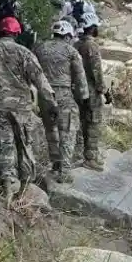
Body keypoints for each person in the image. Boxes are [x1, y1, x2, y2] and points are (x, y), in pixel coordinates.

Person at [0, 16, 55, 203]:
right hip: (21, 109)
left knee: (4, 146)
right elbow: (41, 81)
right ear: (17, 33)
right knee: (24, 145)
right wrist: (52, 103)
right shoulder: (25, 53)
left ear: (0, 32)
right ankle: (25, 187)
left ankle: (7, 186)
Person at [33, 20, 88, 183]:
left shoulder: (40, 48)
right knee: (68, 131)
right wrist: (83, 97)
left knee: (51, 130)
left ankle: (55, 163)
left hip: (44, 95)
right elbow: (80, 76)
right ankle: (64, 171)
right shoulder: (71, 51)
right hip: (63, 94)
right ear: (68, 35)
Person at [75, 12, 107, 169]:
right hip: (91, 90)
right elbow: (96, 71)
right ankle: (90, 157)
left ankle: (85, 154)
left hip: (78, 90)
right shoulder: (91, 46)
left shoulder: (77, 44)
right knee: (93, 123)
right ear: (93, 28)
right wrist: (104, 90)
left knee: (83, 121)